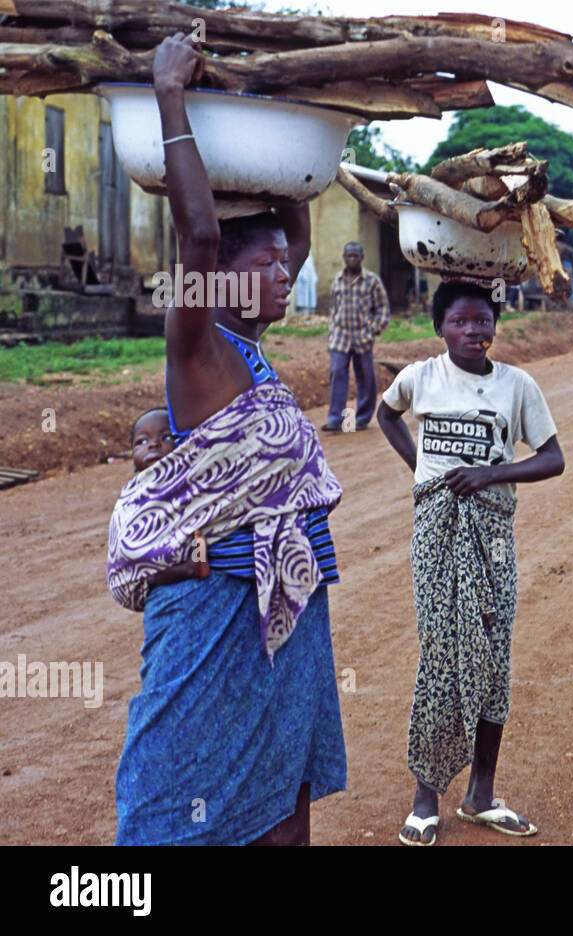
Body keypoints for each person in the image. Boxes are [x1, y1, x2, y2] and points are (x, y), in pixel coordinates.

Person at [108, 34, 346, 846]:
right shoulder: (199, 349)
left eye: (288, 264)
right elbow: (202, 241)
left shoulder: (251, 352)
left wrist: (310, 108)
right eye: (273, 266)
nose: (290, 273)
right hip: (213, 613)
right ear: (227, 276)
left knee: (283, 796)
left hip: (285, 608)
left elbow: (294, 226)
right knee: (173, 800)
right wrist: (169, 94)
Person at [376, 280, 565, 846]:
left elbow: (553, 458)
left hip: (493, 534)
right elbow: (387, 415)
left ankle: (481, 793)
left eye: (482, 321)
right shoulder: (421, 377)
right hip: (435, 532)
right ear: (441, 328)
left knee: (493, 656)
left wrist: (490, 473)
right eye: (460, 322)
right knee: (439, 654)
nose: (473, 332)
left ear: (495, 326)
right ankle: (425, 796)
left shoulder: (517, 385)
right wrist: (423, 473)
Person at [130, 406, 209, 588]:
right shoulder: (133, 499)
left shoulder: (189, 484)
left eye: (167, 437)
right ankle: (191, 568)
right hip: (149, 571)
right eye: (141, 441)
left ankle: (194, 566)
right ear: (133, 462)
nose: (153, 444)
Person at [324, 241, 389, 431]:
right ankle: (335, 419)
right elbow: (333, 306)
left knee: (366, 377)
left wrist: (375, 328)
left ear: (362, 257)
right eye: (348, 255)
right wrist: (331, 328)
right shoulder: (337, 279)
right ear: (344, 257)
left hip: (362, 336)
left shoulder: (371, 281)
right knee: (337, 372)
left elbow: (383, 307)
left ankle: (362, 418)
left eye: (355, 255)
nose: (352, 259)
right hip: (340, 335)